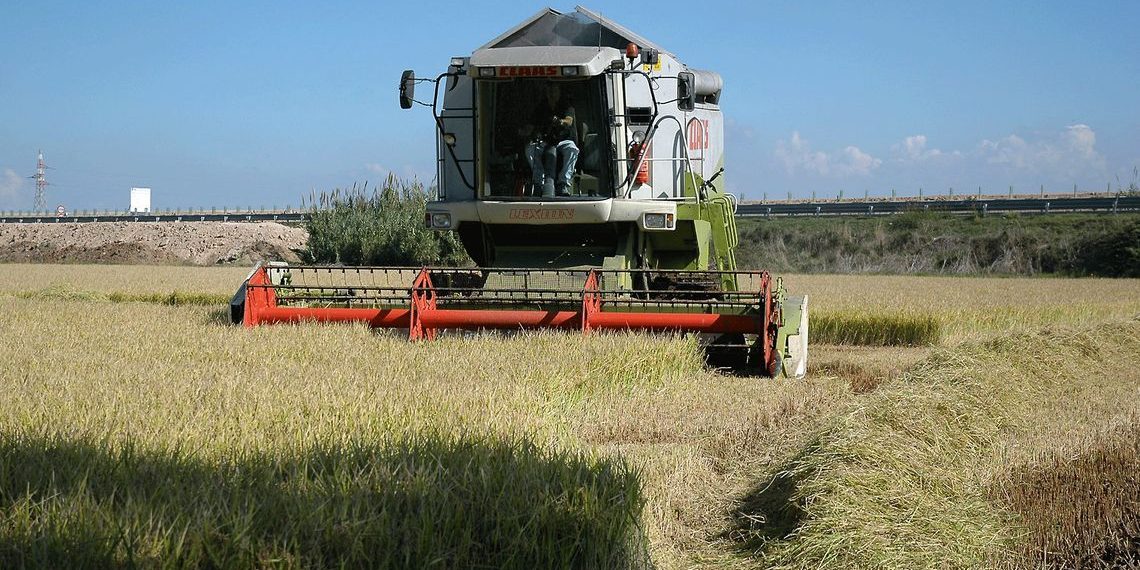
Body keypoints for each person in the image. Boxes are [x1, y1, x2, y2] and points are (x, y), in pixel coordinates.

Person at [523, 83, 578, 197]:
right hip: (545, 141)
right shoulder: (541, 107)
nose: (552, 94)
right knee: (529, 149)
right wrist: (524, 131)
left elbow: (569, 121)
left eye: (554, 91)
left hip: (563, 140)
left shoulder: (567, 106)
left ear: (559, 92)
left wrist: (560, 121)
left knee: (572, 149)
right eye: (549, 91)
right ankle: (539, 181)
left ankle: (563, 183)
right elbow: (531, 125)